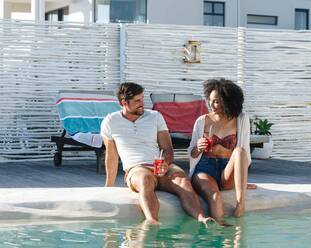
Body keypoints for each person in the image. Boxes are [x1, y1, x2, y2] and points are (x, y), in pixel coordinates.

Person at [101, 82, 212, 226]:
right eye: (137, 101)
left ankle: (201, 218)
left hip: (160, 165)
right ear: (123, 102)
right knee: (145, 179)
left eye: (142, 99)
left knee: (182, 180)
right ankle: (152, 220)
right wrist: (108, 186)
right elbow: (111, 156)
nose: (142, 103)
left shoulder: (155, 116)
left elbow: (167, 148)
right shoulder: (110, 121)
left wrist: (166, 163)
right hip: (136, 169)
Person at [188, 78, 256, 223]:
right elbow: (192, 154)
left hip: (228, 170)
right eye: (210, 100)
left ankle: (240, 204)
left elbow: (244, 154)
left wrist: (242, 179)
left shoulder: (241, 119)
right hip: (205, 168)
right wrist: (198, 148)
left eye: (217, 101)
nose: (212, 105)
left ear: (229, 101)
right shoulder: (202, 121)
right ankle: (219, 231)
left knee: (239, 151)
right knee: (215, 196)